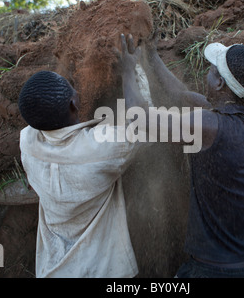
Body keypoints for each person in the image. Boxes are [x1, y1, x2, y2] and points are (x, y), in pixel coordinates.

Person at [134, 33, 244, 278]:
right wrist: (153, 56)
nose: (205, 75)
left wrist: (127, 69)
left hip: (217, 273)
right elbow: (183, 95)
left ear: (219, 84)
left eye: (211, 71)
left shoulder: (210, 125)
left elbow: (142, 120)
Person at [17, 38, 148, 277]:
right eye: (71, 88)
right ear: (74, 103)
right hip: (102, 271)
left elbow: (39, 114)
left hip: (52, 270)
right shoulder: (98, 149)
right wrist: (130, 71)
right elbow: (140, 124)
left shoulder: (27, 142)